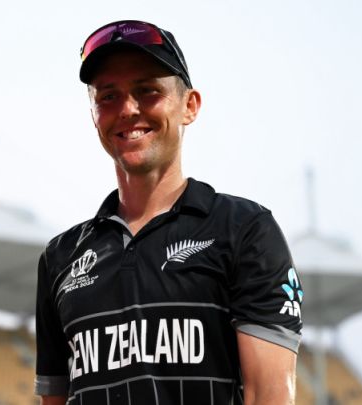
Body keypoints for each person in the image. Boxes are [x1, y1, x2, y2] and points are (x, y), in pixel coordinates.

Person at [35, 20, 303, 405]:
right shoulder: (60, 257)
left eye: (148, 91)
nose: (128, 109)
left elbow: (269, 395)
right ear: (94, 115)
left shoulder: (245, 230)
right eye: (108, 96)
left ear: (189, 106)